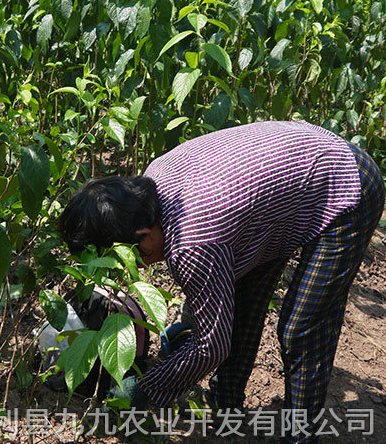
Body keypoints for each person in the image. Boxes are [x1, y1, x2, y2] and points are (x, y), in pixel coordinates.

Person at [58, 120, 385, 443]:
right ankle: (225, 403)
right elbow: (219, 299)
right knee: (244, 302)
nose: (136, 266)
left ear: (143, 236)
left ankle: (302, 434)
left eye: (130, 256)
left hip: (345, 182)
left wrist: (144, 391)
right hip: (292, 180)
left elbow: (210, 346)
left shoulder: (191, 241)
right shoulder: (150, 181)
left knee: (301, 328)